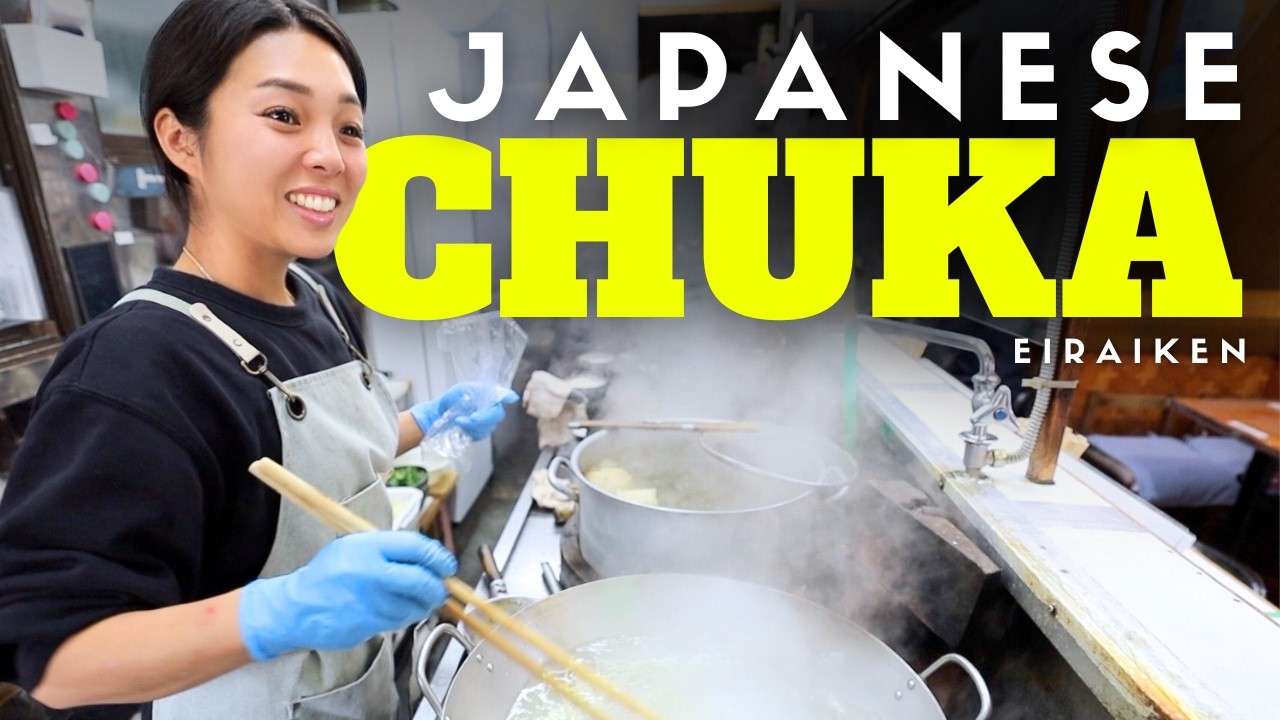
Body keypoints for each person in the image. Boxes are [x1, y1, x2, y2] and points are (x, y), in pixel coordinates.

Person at [0, 1, 517, 717]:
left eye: (349, 128)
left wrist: (423, 421)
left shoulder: (313, 293)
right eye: (283, 116)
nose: (330, 156)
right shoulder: (134, 367)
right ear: (182, 140)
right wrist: (275, 613)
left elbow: (313, 463)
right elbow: (58, 663)